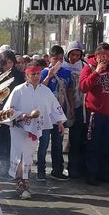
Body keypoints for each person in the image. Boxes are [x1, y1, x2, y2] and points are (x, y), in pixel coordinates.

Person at [6, 60, 66, 198]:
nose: (36, 76)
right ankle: (21, 181)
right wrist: (21, 115)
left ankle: (25, 179)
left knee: (28, 154)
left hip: (35, 127)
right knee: (19, 153)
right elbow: (9, 110)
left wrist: (60, 122)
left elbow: (54, 107)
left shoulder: (45, 91)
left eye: (38, 73)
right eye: (33, 74)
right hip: (19, 127)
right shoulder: (18, 90)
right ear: (27, 75)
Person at [79, 43, 109, 186]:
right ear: (97, 55)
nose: (107, 59)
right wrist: (96, 72)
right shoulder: (89, 68)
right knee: (94, 145)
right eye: (104, 56)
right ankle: (91, 175)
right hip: (95, 113)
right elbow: (83, 87)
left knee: (106, 145)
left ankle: (103, 173)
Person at [38, 46, 74, 180]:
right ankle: (41, 170)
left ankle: (57, 170)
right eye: (55, 59)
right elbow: (40, 89)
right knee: (43, 143)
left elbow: (69, 90)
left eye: (60, 58)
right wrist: (49, 76)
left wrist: (70, 106)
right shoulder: (43, 72)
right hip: (46, 114)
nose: (58, 61)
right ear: (50, 58)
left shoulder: (66, 72)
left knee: (58, 143)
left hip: (60, 112)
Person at [0, 50, 24, 175]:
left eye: (10, 62)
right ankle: (1, 164)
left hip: (14, 111)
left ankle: (10, 165)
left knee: (11, 139)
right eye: (5, 63)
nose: (8, 65)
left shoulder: (19, 75)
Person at [64, 41, 87, 179]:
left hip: (79, 105)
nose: (75, 57)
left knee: (76, 138)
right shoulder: (63, 66)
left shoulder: (84, 66)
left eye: (78, 54)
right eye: (72, 54)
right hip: (63, 104)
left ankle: (74, 168)